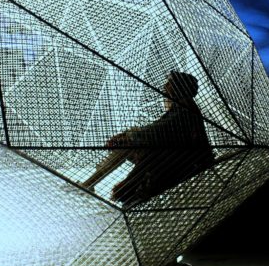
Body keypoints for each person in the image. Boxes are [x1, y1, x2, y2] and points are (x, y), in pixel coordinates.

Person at [82, 70, 214, 206]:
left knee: (130, 141)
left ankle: (97, 184)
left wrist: (128, 137)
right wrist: (129, 136)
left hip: (179, 164)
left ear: (178, 86)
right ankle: (94, 183)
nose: (165, 86)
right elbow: (158, 130)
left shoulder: (184, 108)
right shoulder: (183, 105)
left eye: (169, 83)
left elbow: (158, 131)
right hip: (171, 159)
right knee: (130, 139)